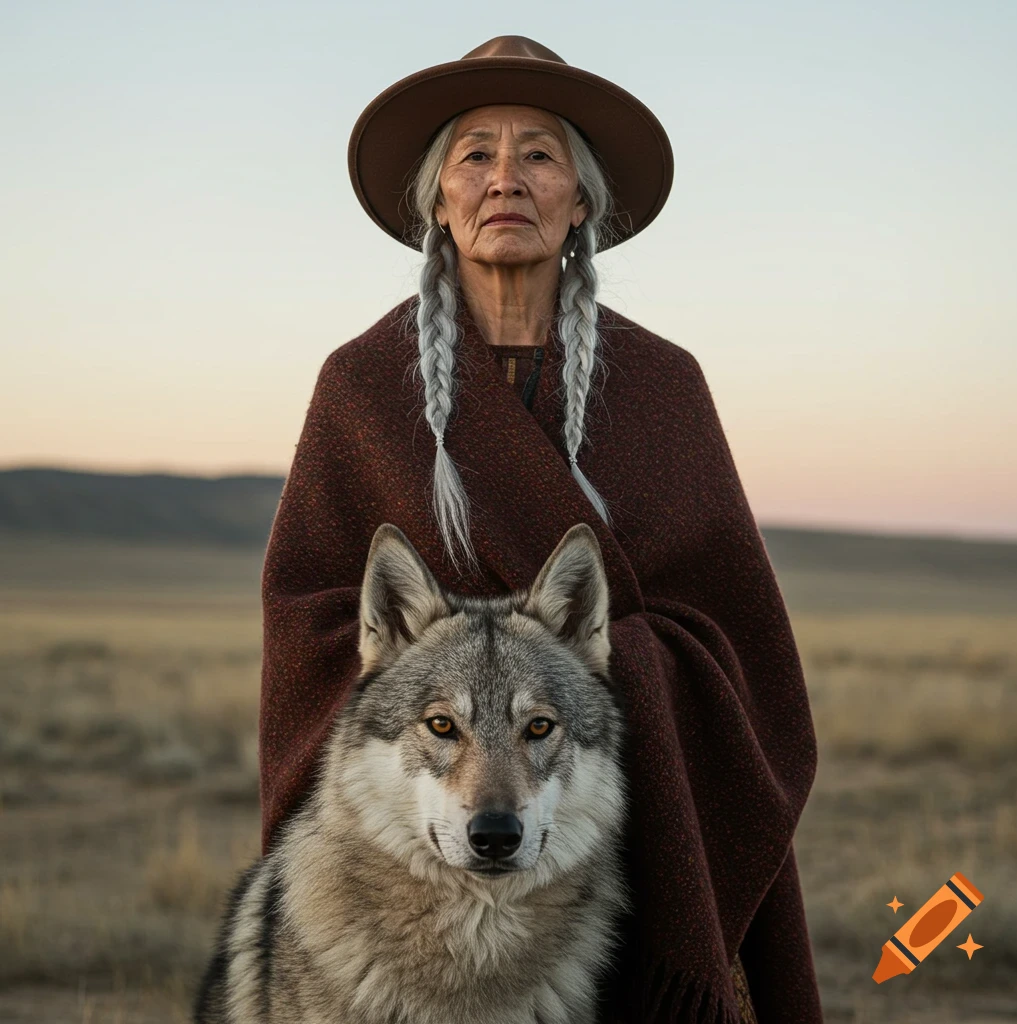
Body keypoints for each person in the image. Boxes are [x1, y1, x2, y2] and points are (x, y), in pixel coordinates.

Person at [259, 36, 823, 1023]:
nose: (504, 178)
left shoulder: (662, 388)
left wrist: (615, 661)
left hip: (615, 822)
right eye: (475, 153)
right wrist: (432, 659)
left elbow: (739, 638)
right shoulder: (360, 386)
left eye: (539, 154)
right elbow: (308, 617)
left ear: (581, 202)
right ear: (437, 199)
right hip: (425, 834)